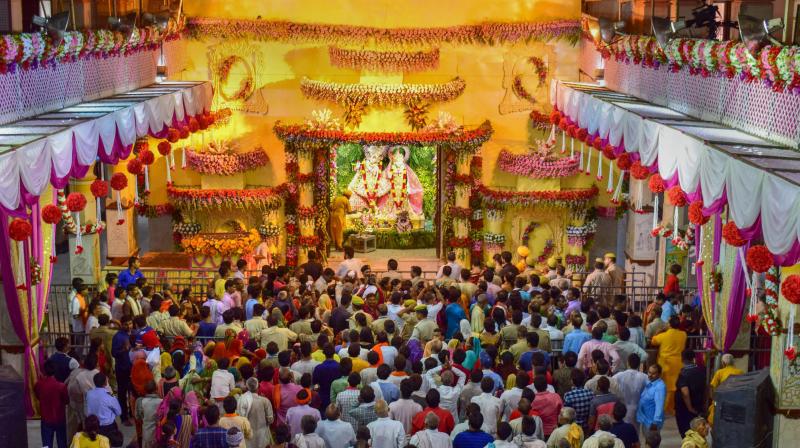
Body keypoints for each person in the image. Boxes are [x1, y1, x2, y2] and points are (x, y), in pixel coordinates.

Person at [650, 317, 687, 413]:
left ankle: (663, 408)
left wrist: (658, 332)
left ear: (669, 325)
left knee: (664, 387)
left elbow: (653, 341)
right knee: (674, 387)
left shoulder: (664, 335)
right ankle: (671, 408)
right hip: (678, 363)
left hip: (665, 364)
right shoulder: (683, 335)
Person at [35, 360, 69, 448]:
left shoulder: (39, 385)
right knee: (62, 443)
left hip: (46, 418)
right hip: (59, 418)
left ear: (44, 371)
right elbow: (66, 401)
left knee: (46, 445)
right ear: (55, 371)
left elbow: (38, 396)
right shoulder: (61, 386)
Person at [674, 349, 706, 438]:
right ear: (693, 358)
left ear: (682, 359)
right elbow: (707, 388)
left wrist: (690, 408)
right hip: (698, 406)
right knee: (698, 433)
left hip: (685, 409)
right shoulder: (702, 371)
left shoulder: (683, 374)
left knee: (686, 434)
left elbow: (685, 392)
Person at [85, 373, 123, 447]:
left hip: (93, 425)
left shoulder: (89, 393)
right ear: (105, 383)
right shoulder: (109, 395)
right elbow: (118, 411)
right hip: (107, 427)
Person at [238, 377, 274, 448]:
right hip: (262, 435)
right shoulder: (265, 401)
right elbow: (270, 420)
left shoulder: (242, 400)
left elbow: (241, 418)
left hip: (248, 436)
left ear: (247, 387)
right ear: (258, 387)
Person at [612, 354, 648, 425]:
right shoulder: (644, 377)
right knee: (635, 432)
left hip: (622, 410)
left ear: (627, 363)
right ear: (638, 364)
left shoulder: (618, 376)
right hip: (638, 409)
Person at [707, 353, 743, 425]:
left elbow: (712, 387)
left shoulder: (719, 372)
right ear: (733, 362)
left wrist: (713, 399)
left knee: (713, 420)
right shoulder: (740, 372)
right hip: (735, 401)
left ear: (723, 363)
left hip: (721, 400)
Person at [636, 365, 666, 438]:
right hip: (646, 420)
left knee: (651, 443)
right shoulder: (649, 382)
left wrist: (655, 422)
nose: (650, 375)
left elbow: (659, 406)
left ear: (659, 374)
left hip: (652, 422)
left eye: (653, 373)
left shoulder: (660, 387)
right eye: (649, 372)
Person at [135, 380, 161, 448]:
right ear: (156, 389)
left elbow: (138, 417)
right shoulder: (161, 402)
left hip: (146, 432)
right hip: (158, 433)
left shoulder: (140, 401)